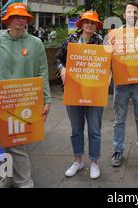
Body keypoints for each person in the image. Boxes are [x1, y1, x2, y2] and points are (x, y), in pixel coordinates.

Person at [0, 3, 52, 188]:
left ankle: (24, 181)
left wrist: (47, 100)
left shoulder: (36, 43)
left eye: (23, 17)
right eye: (16, 16)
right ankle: (9, 177)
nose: (20, 20)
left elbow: (43, 73)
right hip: (2, 101)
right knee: (5, 142)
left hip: (28, 100)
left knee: (18, 143)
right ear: (8, 20)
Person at [55, 10, 105, 179]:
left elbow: (108, 63)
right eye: (86, 22)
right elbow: (58, 59)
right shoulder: (70, 41)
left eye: (93, 23)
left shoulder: (101, 42)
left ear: (96, 25)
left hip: (94, 92)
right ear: (81, 24)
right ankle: (78, 160)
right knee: (76, 129)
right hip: (73, 91)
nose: (89, 25)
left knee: (94, 129)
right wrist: (62, 69)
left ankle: (94, 162)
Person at [110, 3, 138, 167]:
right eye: (129, 11)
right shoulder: (115, 34)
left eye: (135, 12)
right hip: (121, 83)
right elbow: (107, 57)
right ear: (124, 14)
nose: (132, 14)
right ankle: (118, 150)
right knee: (119, 119)